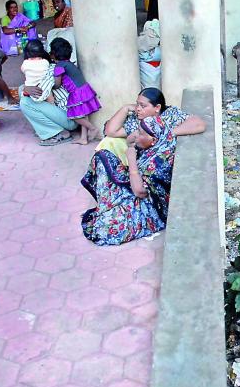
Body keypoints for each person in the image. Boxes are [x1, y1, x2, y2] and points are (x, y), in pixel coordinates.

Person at [80, 116, 175, 245]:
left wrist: (131, 160)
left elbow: (140, 192)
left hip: (147, 205)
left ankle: (109, 209)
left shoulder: (160, 161)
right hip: (136, 183)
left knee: (104, 229)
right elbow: (130, 141)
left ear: (153, 139)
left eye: (140, 133)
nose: (136, 134)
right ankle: (107, 206)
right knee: (103, 156)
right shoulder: (155, 145)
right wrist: (135, 137)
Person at [98, 87, 205, 164]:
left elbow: (199, 124)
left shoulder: (170, 114)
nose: (138, 108)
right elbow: (110, 131)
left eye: (143, 106)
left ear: (157, 108)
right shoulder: (137, 119)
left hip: (159, 165)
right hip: (140, 162)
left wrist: (167, 133)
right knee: (107, 142)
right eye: (137, 104)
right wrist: (125, 108)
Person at [50, 38, 102, 144]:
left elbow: (57, 84)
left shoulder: (59, 67)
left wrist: (51, 87)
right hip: (85, 89)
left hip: (76, 93)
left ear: (54, 54)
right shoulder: (68, 63)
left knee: (74, 116)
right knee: (83, 115)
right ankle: (83, 138)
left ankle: (92, 128)